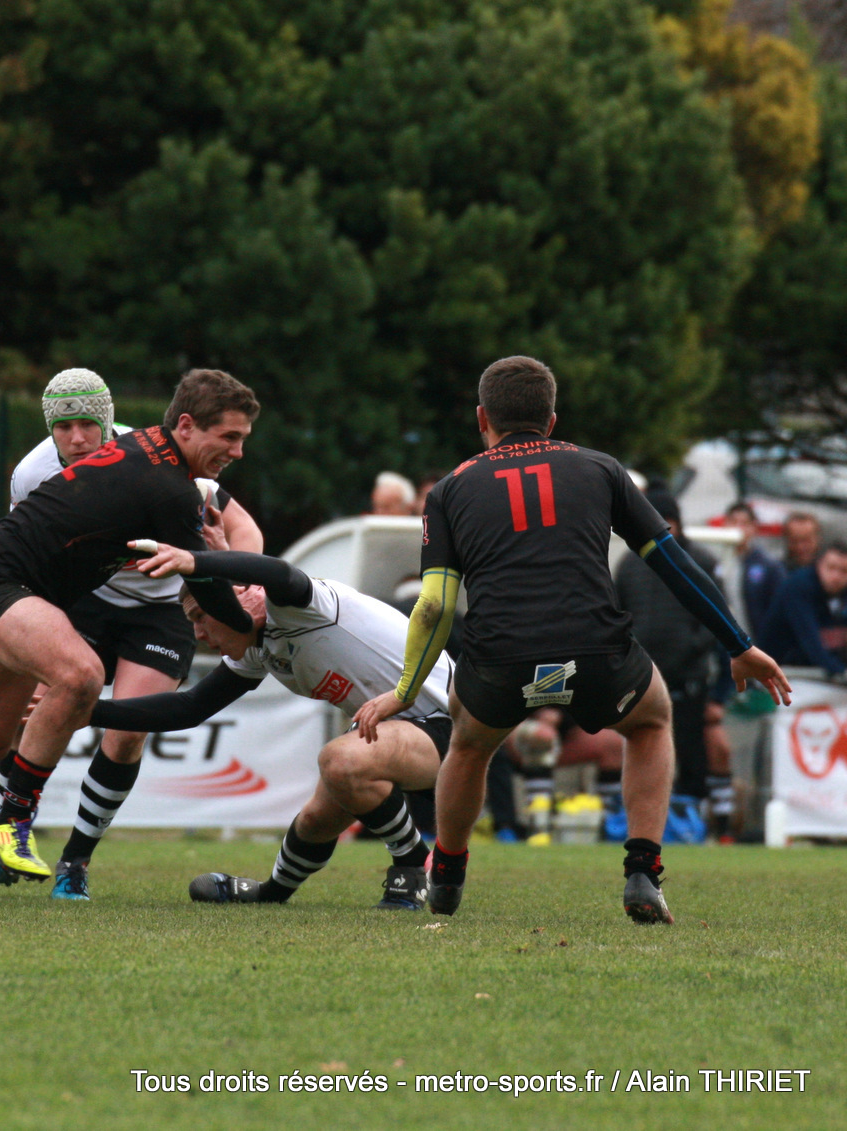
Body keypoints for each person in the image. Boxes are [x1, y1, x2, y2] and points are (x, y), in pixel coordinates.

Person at [353, 355, 789, 924]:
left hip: (500, 659)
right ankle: (642, 871)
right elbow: (673, 564)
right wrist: (739, 645)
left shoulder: (450, 489)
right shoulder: (601, 468)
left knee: (469, 744)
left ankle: (449, 872)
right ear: (552, 420)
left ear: (482, 418)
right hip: (596, 652)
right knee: (652, 721)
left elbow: (433, 605)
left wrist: (405, 692)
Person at [0, 368, 259, 902]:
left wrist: (228, 576)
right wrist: (251, 626)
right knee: (80, 675)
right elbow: (207, 588)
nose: (236, 451)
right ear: (185, 426)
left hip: (4, 590)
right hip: (2, 590)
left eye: (241, 439)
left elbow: (216, 553)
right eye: (228, 437)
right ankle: (12, 826)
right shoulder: (167, 487)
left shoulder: (150, 451)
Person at [82, 546, 453, 910]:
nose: (198, 633)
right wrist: (86, 712)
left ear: (241, 596)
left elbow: (280, 572)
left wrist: (194, 560)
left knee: (341, 760)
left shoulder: (298, 607)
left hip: (449, 727)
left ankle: (412, 863)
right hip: (395, 732)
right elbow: (189, 708)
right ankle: (271, 894)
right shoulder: (257, 648)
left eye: (200, 616)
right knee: (315, 820)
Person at [613, 485, 726, 802]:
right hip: (643, 676)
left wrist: (692, 647)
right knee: (642, 744)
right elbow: (617, 613)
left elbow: (717, 614)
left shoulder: (700, 560)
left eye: (667, 521)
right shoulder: (629, 564)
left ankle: (692, 812)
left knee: (690, 748)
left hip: (688, 678)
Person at [757, 542, 847, 677]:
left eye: (844, 571)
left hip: (819, 674)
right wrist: (842, 672)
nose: (836, 577)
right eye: (831, 568)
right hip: (781, 673)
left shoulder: (841, 593)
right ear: (818, 565)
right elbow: (811, 643)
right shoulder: (798, 588)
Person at [725, 501, 785, 635]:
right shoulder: (718, 564)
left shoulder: (769, 566)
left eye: (744, 523)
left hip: (758, 641)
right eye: (733, 522)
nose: (738, 528)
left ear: (754, 527)